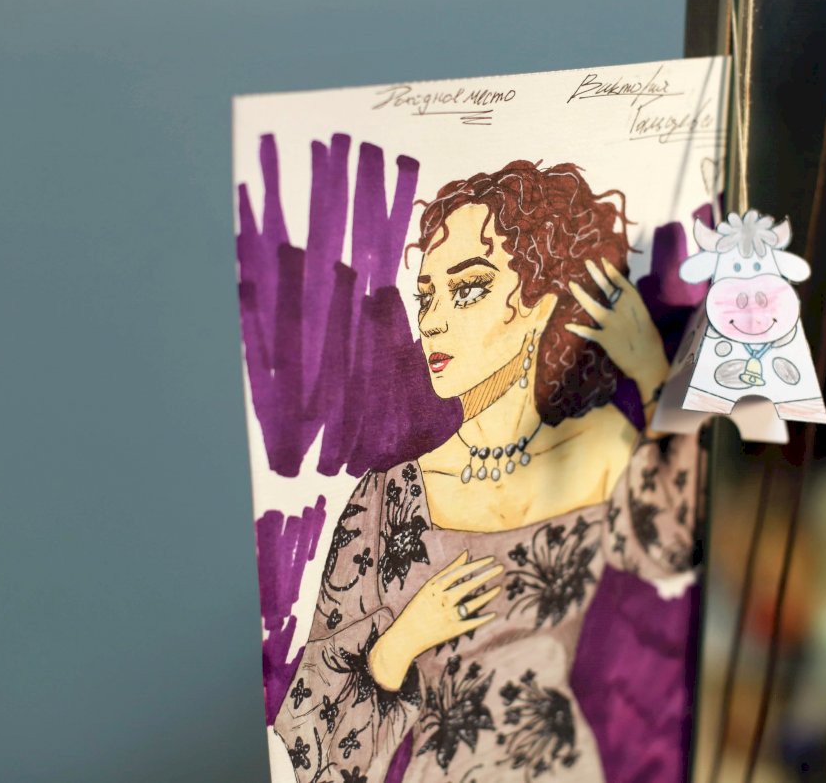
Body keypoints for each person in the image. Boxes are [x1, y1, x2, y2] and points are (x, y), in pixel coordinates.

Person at [274, 160, 702, 783]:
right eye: (426, 296)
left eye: (467, 288)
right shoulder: (387, 498)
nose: (432, 320)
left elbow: (679, 552)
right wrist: (401, 642)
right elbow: (313, 740)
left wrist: (651, 373)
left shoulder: (603, 449)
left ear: (538, 303)